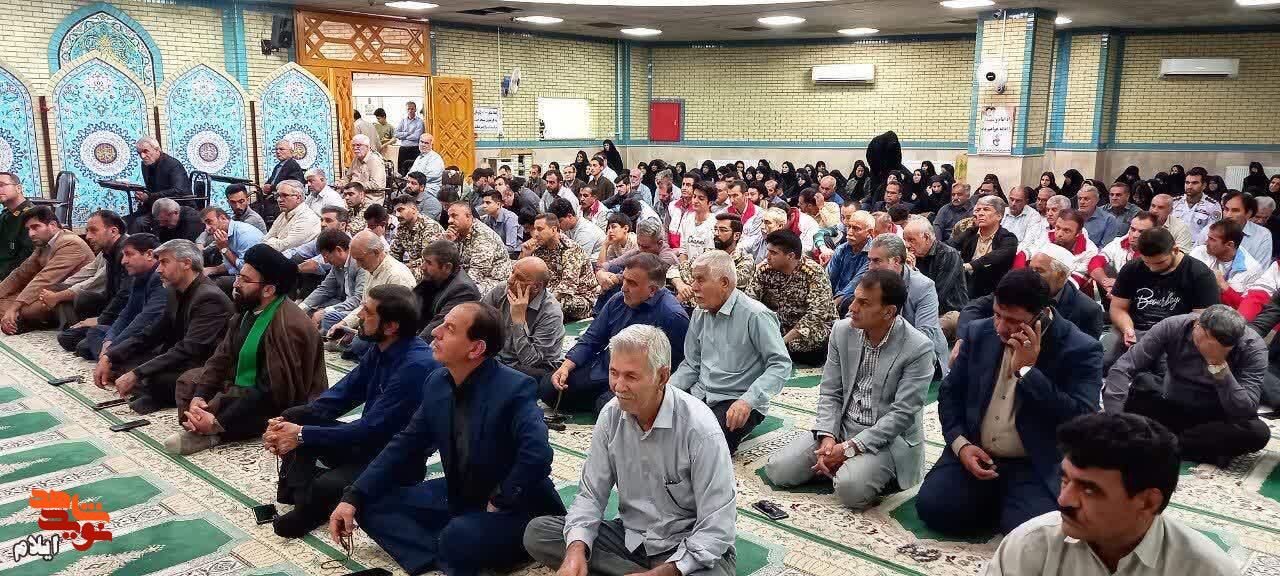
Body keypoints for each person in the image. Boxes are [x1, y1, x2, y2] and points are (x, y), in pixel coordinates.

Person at [329, 302, 565, 576]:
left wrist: (501, 500)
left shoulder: (514, 387)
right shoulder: (437, 382)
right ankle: (446, 553)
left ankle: (460, 545)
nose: (435, 332)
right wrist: (353, 495)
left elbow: (537, 455)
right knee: (367, 504)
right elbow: (405, 443)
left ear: (476, 348)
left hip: (514, 504)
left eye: (449, 329)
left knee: (458, 536)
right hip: (460, 493)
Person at [525, 323, 737, 576]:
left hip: (687, 545)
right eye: (614, 373)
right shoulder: (611, 416)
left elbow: (717, 526)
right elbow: (591, 495)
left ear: (662, 377)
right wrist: (575, 551)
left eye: (631, 377)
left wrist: (666, 572)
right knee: (539, 533)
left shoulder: (700, 429)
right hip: (633, 539)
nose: (618, 386)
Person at [916, 269, 1103, 535]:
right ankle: (997, 504)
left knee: (1034, 534)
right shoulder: (979, 332)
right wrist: (962, 446)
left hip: (1034, 463)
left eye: (1014, 321)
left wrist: (1027, 371)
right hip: (977, 452)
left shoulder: (1079, 348)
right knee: (934, 508)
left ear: (1042, 314)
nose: (1001, 328)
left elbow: (1082, 420)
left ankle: (1006, 506)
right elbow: (950, 394)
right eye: (997, 315)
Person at [266, 284, 437, 537]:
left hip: (393, 459)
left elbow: (371, 430)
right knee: (295, 416)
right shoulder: (381, 348)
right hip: (365, 443)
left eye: (367, 312)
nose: (359, 315)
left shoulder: (416, 366)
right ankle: (304, 497)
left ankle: (310, 500)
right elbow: (341, 396)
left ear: (391, 326)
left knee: (322, 488)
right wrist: (285, 425)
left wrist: (301, 434)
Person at [986, 412, 1236, 576]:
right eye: (1065, 480)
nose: (1064, 500)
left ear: (1148, 501)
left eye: (1089, 490)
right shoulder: (1030, 546)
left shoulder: (1204, 569)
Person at [764, 269, 935, 508]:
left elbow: (902, 415)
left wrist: (848, 449)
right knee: (778, 470)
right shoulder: (842, 330)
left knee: (850, 490)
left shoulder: (918, 348)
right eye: (854, 298)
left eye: (863, 303)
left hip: (887, 439)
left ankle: (855, 468)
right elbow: (830, 390)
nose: (852, 307)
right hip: (843, 426)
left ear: (889, 312)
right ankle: (840, 464)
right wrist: (827, 437)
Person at [168, 244, 326, 455]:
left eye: (245, 280)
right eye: (238, 276)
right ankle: (203, 424)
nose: (236, 284)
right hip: (244, 385)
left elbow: (274, 390)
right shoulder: (247, 310)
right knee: (188, 381)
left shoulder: (288, 325)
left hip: (274, 397)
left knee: (241, 404)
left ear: (268, 290)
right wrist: (200, 396)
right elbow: (221, 357)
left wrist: (220, 415)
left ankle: (213, 430)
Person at [1106, 305, 1268, 468]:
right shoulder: (1173, 326)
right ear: (1198, 325)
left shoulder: (1252, 346)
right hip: (1172, 405)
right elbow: (1123, 368)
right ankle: (1194, 448)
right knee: (1131, 389)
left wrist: (1218, 364)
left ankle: (1167, 443)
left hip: (1216, 418)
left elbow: (1245, 410)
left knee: (1257, 432)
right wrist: (1115, 421)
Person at [669, 251, 790, 453]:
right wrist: (665, 390)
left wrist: (748, 401)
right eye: (693, 279)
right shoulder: (699, 312)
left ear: (724, 282)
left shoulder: (756, 315)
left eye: (700, 280)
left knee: (702, 445)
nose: (694, 287)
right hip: (701, 393)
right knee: (657, 424)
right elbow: (691, 364)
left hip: (737, 399)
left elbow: (780, 365)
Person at [100, 239, 234, 414]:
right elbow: (152, 333)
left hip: (203, 366)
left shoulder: (209, 298)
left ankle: (153, 392)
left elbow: (189, 349)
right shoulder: (174, 290)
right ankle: (148, 390)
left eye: (164, 262)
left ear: (186, 263)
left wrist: (137, 373)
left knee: (156, 379)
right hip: (181, 358)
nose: (158, 269)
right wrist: (110, 355)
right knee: (122, 362)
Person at [546, 253, 688, 414]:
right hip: (606, 369)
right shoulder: (618, 299)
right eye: (624, 280)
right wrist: (566, 367)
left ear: (653, 290)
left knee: (610, 409)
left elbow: (671, 369)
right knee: (550, 387)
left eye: (632, 283)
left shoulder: (673, 316)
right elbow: (592, 338)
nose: (623, 288)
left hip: (637, 383)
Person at [958, 243, 1106, 370]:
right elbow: (972, 309)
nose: (1032, 275)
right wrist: (964, 340)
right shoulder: (1017, 290)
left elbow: (1079, 359)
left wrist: (1026, 367)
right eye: (1030, 269)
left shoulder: (1088, 310)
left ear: (1061, 276)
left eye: (1039, 271)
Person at [1106, 228, 1219, 371]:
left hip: (1175, 336)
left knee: (1167, 371)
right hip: (1136, 329)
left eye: (1159, 263)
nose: (1152, 269)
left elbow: (1201, 319)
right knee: (1106, 361)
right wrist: (1127, 328)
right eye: (1147, 262)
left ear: (1175, 250)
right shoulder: (1132, 268)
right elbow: (1118, 307)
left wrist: (1163, 339)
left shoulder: (1199, 274)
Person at [748, 230, 837, 365]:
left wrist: (782, 341)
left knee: (811, 338)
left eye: (773, 253)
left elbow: (817, 315)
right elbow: (750, 302)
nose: (767, 256)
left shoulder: (813, 273)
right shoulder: (765, 271)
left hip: (810, 335)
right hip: (779, 330)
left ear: (790, 256)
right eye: (768, 251)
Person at [866, 234, 950, 377]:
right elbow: (854, 316)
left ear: (896, 261)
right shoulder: (871, 280)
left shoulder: (924, 286)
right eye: (870, 260)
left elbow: (925, 335)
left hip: (922, 357)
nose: (871, 267)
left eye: (877, 261)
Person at [0, 207, 93, 334]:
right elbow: (20, 273)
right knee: (6, 301)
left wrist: (14, 307)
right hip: (48, 292)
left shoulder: (71, 243)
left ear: (53, 225)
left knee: (20, 309)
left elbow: (44, 279)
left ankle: (20, 320)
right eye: (28, 229)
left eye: (35, 227)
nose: (31, 234)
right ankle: (16, 318)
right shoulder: (44, 244)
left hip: (68, 298)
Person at [79, 234, 164, 366]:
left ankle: (112, 365)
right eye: (123, 255)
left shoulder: (160, 278)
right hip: (134, 331)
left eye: (129, 255)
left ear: (149, 254)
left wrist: (112, 348)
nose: (123, 261)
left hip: (150, 334)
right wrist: (109, 340)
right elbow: (126, 314)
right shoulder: (138, 277)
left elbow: (144, 320)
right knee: (94, 333)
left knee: (86, 346)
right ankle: (113, 363)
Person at [327, 230, 417, 346]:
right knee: (330, 318)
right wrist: (344, 324)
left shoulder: (396, 276)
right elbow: (363, 306)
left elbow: (394, 323)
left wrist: (360, 332)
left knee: (359, 343)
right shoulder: (372, 266)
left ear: (376, 252)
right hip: (370, 320)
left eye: (360, 259)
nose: (358, 265)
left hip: (386, 329)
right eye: (355, 260)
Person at [481, 257, 565, 379]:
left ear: (536, 287)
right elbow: (478, 319)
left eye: (519, 278)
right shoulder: (502, 290)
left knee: (526, 374)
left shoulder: (551, 313)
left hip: (532, 366)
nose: (510, 280)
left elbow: (530, 360)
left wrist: (518, 321)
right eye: (512, 272)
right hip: (499, 357)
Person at [46, 210, 127, 330]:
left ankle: (76, 329)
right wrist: (64, 286)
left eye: (93, 230)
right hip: (111, 302)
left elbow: (98, 282)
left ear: (113, 231)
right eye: (87, 231)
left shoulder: (125, 252)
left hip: (122, 310)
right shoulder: (107, 250)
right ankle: (73, 328)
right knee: (57, 287)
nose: (88, 236)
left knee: (80, 298)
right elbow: (88, 271)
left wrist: (58, 296)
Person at [521, 213, 597, 322]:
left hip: (578, 298)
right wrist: (527, 255)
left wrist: (539, 301)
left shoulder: (570, 249)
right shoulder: (539, 248)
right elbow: (527, 276)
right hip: (550, 294)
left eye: (540, 229)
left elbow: (567, 286)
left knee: (544, 306)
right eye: (534, 229)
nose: (535, 234)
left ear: (553, 230)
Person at [1189, 220, 1270, 319]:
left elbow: (1246, 309)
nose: (1206, 242)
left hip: (1225, 320)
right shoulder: (1199, 252)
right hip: (1191, 309)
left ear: (1230, 245)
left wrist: (1224, 286)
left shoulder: (1252, 270)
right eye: (1208, 237)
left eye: (1212, 239)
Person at [903, 215, 967, 340]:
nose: (907, 245)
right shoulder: (910, 256)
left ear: (927, 238)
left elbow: (937, 294)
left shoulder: (948, 254)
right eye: (905, 240)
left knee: (925, 333)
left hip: (945, 311)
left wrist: (914, 273)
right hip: (917, 309)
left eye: (911, 240)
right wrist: (906, 270)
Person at [672, 213, 756, 304]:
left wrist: (691, 284)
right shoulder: (708, 254)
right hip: (690, 305)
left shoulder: (745, 260)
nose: (716, 234)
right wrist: (680, 284)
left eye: (722, 230)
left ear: (736, 236)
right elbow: (675, 268)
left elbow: (722, 286)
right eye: (715, 229)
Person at [950, 195, 1019, 299]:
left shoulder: (1008, 238)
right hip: (965, 285)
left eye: (986, 209)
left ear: (999, 216)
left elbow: (995, 257)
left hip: (991, 291)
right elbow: (950, 245)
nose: (980, 213)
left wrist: (969, 265)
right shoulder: (971, 233)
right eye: (977, 210)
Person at [300, 229, 367, 333]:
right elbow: (325, 289)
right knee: (309, 311)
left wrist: (325, 311)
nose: (325, 261)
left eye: (326, 256)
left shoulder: (360, 264)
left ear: (339, 250)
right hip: (343, 303)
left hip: (358, 310)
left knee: (328, 317)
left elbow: (358, 299)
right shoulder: (337, 266)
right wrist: (302, 307)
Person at [413, 240, 480, 337]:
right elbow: (411, 309)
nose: (422, 267)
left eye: (428, 263)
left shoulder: (463, 291)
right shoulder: (433, 278)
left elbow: (436, 330)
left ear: (447, 267)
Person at [444, 202, 513, 295]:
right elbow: (442, 263)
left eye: (454, 216)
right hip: (467, 276)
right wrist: (447, 243)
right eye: (449, 216)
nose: (450, 221)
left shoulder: (483, 237)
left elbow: (476, 275)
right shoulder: (456, 233)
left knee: (461, 293)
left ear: (468, 217)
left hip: (493, 281)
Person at [1087, 211, 1157, 298]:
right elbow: (1094, 262)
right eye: (1132, 229)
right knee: (1102, 267)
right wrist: (1108, 286)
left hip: (1145, 297)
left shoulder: (1157, 251)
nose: (1135, 235)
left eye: (1141, 232)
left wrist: (1119, 283)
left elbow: (1148, 283)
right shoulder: (1118, 242)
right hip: (1116, 291)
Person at [130, 137, 191, 232]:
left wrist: (149, 196)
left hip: (177, 206)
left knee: (139, 222)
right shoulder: (145, 165)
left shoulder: (173, 164)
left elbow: (179, 191)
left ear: (157, 149)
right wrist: (142, 194)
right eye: (139, 153)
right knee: (126, 220)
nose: (142, 156)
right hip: (156, 205)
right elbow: (152, 188)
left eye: (145, 151)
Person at [199, 206, 265, 294]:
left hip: (257, 278)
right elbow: (231, 265)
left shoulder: (245, 235)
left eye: (209, 222)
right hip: (242, 273)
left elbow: (246, 269)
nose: (207, 228)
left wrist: (224, 249)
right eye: (205, 224)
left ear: (223, 218)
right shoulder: (225, 233)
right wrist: (213, 269)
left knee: (215, 284)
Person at [828, 209, 874, 317]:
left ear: (869, 232)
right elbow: (828, 280)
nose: (849, 232)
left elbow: (853, 286)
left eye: (856, 229)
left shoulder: (872, 255)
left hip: (854, 305)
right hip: (832, 301)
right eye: (849, 227)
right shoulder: (841, 249)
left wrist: (829, 309)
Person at [387, 195, 445, 275]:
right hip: (412, 267)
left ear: (413, 209)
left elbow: (429, 258)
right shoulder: (402, 227)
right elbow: (394, 253)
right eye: (395, 211)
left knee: (404, 275)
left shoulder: (430, 227)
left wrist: (406, 267)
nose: (397, 215)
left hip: (433, 268)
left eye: (400, 210)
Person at [262, 180, 321, 252]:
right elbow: (265, 239)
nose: (279, 200)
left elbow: (284, 247)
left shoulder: (307, 218)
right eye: (278, 196)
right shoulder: (283, 214)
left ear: (298, 198)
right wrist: (274, 241)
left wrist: (272, 240)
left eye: (285, 195)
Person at [1172, 167, 1221, 245]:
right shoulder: (1174, 202)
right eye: (1187, 182)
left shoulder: (1212, 205)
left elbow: (1211, 233)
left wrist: (1196, 250)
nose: (1189, 186)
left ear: (1204, 185)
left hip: (1198, 248)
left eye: (1194, 183)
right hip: (1174, 246)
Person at [1222, 191, 1273, 264]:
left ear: (1248, 213)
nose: (1228, 215)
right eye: (1226, 209)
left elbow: (1260, 267)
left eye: (1235, 211)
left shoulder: (1263, 235)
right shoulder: (1210, 229)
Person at [0, 171, 33, 281]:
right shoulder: (5, 216)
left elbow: (28, 259)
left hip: (15, 279)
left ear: (18, 188)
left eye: (1, 185)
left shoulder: (33, 216)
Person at [1076, 184, 1121, 249]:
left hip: (1095, 253)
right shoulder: (1072, 217)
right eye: (1079, 199)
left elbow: (1105, 248)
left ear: (1096, 200)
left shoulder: (1109, 220)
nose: (1082, 202)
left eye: (1086, 199)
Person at [1003, 185, 1047, 249]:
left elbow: (1029, 241)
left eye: (1018, 201)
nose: (1013, 203)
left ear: (1026, 202)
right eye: (1011, 199)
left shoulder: (1033, 216)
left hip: (1018, 250)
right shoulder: (1002, 212)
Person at [480, 189, 521, 256]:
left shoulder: (510, 219)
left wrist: (489, 248)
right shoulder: (489, 217)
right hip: (497, 251)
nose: (484, 206)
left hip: (514, 255)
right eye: (483, 202)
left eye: (488, 203)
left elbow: (511, 248)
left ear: (498, 204)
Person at [405, 133, 444, 198]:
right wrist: (405, 178)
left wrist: (413, 181)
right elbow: (411, 173)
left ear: (431, 145)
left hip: (430, 188)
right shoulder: (420, 157)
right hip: (416, 185)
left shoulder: (435, 158)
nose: (423, 145)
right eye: (421, 142)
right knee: (396, 194)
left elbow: (429, 177)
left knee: (406, 195)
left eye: (426, 143)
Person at [393, 101, 424, 174]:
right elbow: (396, 134)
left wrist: (403, 137)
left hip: (414, 149)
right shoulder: (403, 121)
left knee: (415, 171)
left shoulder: (419, 122)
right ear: (406, 110)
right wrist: (407, 133)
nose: (410, 111)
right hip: (403, 149)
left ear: (415, 109)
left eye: (412, 109)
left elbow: (416, 136)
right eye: (408, 109)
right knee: (401, 171)